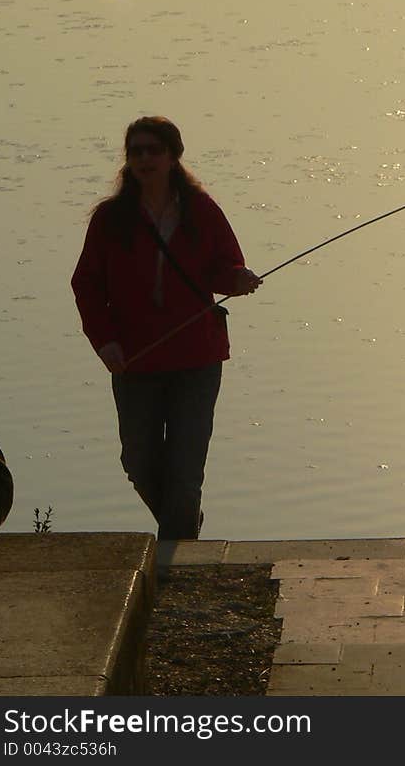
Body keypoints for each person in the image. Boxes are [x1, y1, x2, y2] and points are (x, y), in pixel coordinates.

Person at [71, 116, 262, 539]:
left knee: (185, 463)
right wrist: (105, 343)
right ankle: (183, 525)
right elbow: (86, 284)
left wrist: (238, 280)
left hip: (196, 356)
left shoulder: (201, 210)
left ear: (173, 156)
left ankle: (178, 557)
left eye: (152, 150)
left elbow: (223, 268)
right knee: (138, 461)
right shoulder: (111, 218)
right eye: (136, 151)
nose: (143, 159)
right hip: (135, 359)